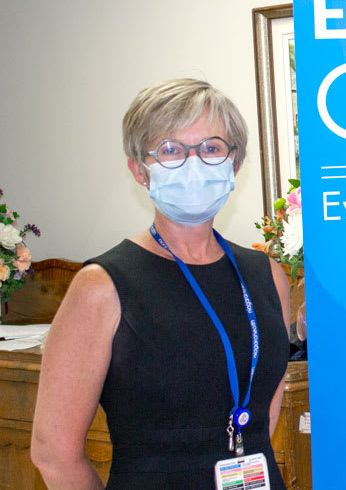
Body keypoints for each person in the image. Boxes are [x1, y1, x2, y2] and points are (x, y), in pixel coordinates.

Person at [31, 78, 291, 489]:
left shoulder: (267, 276)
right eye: (170, 150)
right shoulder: (102, 286)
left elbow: (262, 419)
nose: (193, 163)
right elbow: (53, 455)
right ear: (140, 170)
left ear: (233, 163)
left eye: (211, 147)